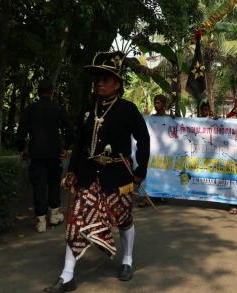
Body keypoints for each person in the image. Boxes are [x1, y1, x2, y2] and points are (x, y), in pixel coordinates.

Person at [44, 51, 150, 292]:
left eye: (105, 79)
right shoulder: (87, 110)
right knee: (76, 222)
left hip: (118, 177)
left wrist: (140, 170)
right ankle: (67, 275)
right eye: (97, 79)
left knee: (123, 220)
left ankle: (127, 260)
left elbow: (143, 140)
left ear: (117, 83)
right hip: (88, 175)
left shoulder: (127, 109)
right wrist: (72, 171)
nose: (99, 83)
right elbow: (80, 144)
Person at [16, 80, 74, 233]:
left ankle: (41, 221)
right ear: (51, 92)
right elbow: (70, 128)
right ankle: (54, 215)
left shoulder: (31, 109)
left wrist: (21, 148)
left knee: (39, 185)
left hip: (36, 154)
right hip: (55, 153)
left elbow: (21, 130)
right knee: (54, 182)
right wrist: (66, 147)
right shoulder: (58, 108)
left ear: (38, 92)